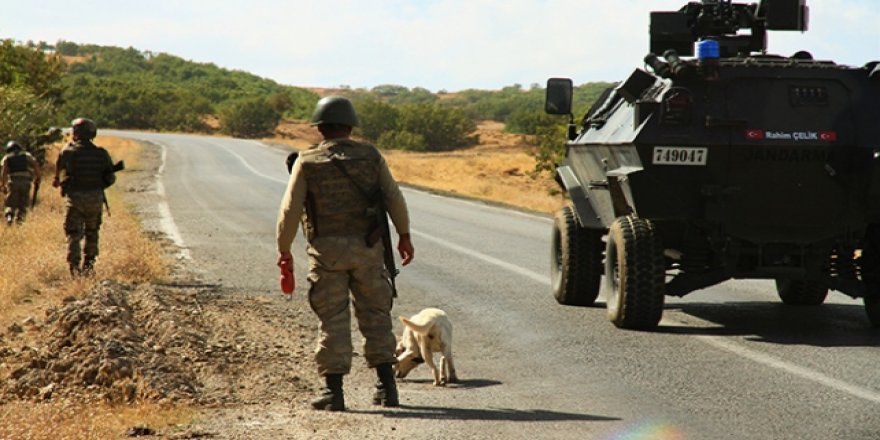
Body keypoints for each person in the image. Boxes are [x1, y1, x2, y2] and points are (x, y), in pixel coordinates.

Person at [276, 96, 415, 411]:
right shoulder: (371, 156)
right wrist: (404, 236)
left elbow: (289, 210)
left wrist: (284, 252)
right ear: (350, 126)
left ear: (320, 128)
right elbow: (394, 197)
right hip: (369, 249)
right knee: (376, 316)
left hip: (327, 253)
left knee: (333, 320)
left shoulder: (307, 162)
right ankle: (386, 387)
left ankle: (334, 393)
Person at [52, 118, 117, 276]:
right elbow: (110, 178)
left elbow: (58, 174)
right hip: (95, 197)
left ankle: (74, 266)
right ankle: (89, 265)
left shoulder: (68, 151)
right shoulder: (101, 153)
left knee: (73, 233)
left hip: (75, 198)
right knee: (92, 231)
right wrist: (97, 186)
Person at [0, 141, 41, 225]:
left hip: (13, 182)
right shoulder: (27, 155)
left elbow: (4, 172)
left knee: (10, 203)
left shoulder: (7, 157)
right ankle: (19, 222)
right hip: (26, 182)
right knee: (23, 204)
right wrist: (38, 178)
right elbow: (35, 164)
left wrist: (3, 185)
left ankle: (9, 217)